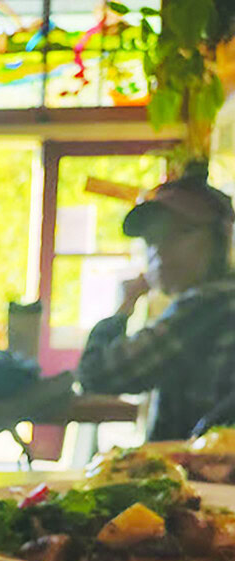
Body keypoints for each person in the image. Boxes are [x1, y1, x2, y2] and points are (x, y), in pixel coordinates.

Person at [78, 173, 235, 440]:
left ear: (222, 238)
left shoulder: (208, 305)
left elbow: (98, 375)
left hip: (203, 477)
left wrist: (125, 306)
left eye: (180, 233)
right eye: (152, 238)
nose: (160, 250)